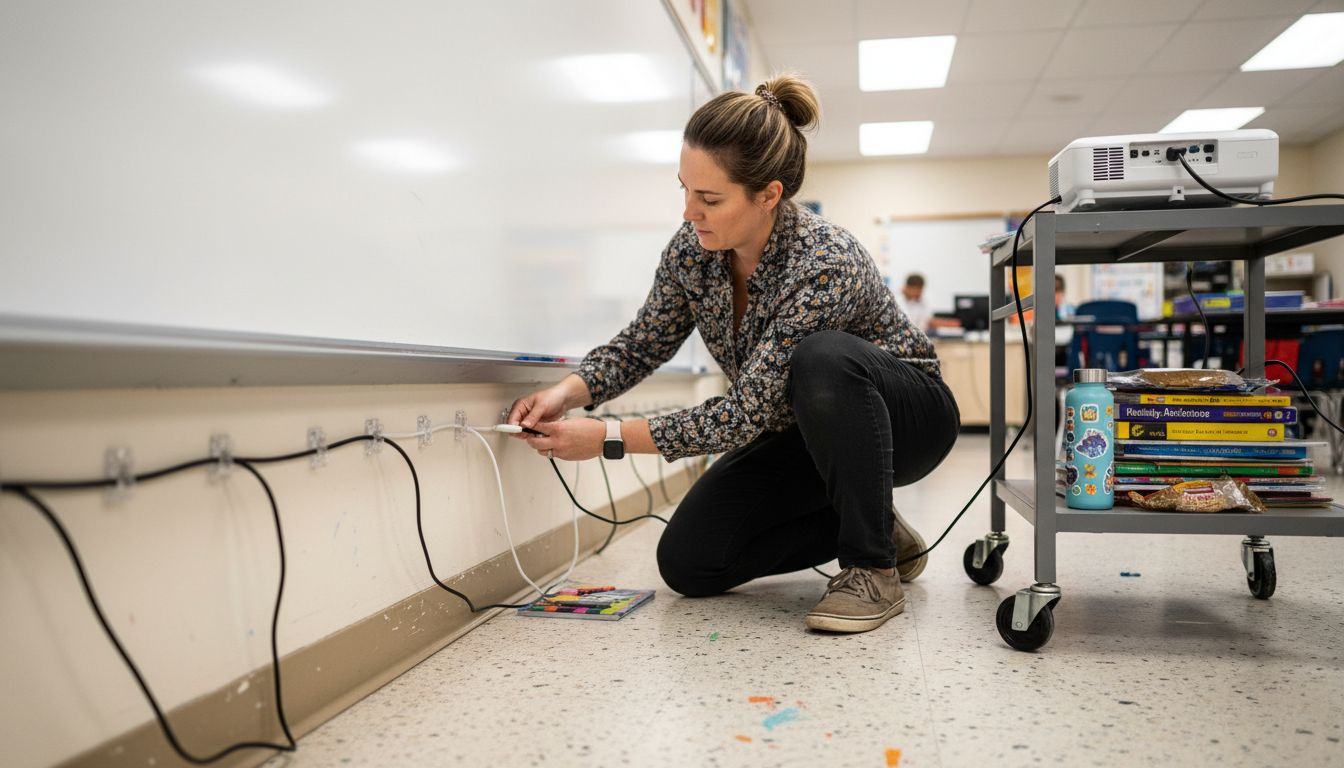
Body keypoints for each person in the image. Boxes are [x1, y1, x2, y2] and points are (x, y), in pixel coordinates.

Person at [506, 75, 960, 634]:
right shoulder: (693, 252)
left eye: (709, 198)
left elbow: (745, 413)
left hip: (907, 420)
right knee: (690, 561)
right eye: (685, 189)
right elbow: (642, 342)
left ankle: (871, 566)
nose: (688, 211)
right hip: (801, 428)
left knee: (822, 358)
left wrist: (607, 437)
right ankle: (879, 526)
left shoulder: (824, 259)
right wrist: (565, 393)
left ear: (768, 194)